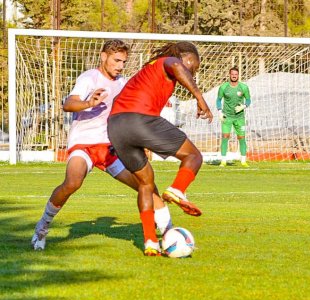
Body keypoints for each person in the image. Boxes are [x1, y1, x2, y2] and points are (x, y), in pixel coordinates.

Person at [31, 40, 172, 251]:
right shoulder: (89, 78)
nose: (120, 66)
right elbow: (68, 104)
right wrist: (89, 103)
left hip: (110, 148)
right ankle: (42, 227)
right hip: (84, 144)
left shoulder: (123, 83)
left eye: (123, 62)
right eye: (116, 60)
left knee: (147, 185)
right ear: (103, 57)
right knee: (72, 182)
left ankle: (169, 233)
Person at [108, 41, 213, 256]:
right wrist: (200, 98)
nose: (194, 70)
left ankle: (150, 242)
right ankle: (177, 190)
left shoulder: (147, 70)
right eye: (195, 65)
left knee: (146, 183)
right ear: (186, 57)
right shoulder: (170, 61)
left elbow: (119, 99)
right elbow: (176, 65)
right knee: (193, 156)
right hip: (141, 119)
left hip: (116, 126)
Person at [216, 67, 251, 167]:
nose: (234, 76)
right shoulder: (223, 87)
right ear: (229, 75)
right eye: (232, 74)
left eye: (236, 74)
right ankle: (223, 161)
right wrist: (219, 111)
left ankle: (243, 161)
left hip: (240, 118)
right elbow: (218, 100)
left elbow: (248, 100)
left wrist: (244, 106)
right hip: (227, 117)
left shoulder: (244, 87)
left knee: (241, 137)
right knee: (225, 137)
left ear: (238, 75)